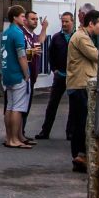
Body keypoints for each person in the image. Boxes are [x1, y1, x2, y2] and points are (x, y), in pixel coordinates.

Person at [66, 9, 99, 172]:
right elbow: (98, 56)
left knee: (80, 121)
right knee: (81, 122)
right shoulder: (81, 37)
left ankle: (79, 155)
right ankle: (79, 156)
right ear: (91, 24)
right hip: (80, 84)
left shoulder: (82, 36)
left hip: (79, 82)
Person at [35, 11, 74, 140]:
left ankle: (70, 132)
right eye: (62, 21)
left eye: (66, 21)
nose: (64, 24)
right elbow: (50, 55)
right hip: (60, 75)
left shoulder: (77, 37)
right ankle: (45, 131)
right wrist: (54, 69)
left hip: (73, 76)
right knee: (52, 104)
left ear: (72, 22)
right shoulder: (57, 37)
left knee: (73, 106)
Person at [1, 5, 32, 149]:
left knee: (10, 106)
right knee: (18, 108)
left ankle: (9, 138)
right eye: (22, 16)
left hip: (7, 73)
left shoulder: (6, 32)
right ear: (14, 17)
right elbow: (21, 55)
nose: (24, 19)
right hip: (17, 74)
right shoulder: (18, 33)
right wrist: (26, 74)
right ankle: (14, 139)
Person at [21, 10, 48, 136]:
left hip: (32, 76)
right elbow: (19, 54)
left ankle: (21, 132)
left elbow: (40, 41)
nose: (35, 21)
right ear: (25, 20)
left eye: (36, 19)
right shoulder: (22, 34)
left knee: (27, 106)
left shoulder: (32, 35)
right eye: (33, 19)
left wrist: (44, 28)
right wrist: (32, 52)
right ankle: (18, 133)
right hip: (23, 76)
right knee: (20, 107)